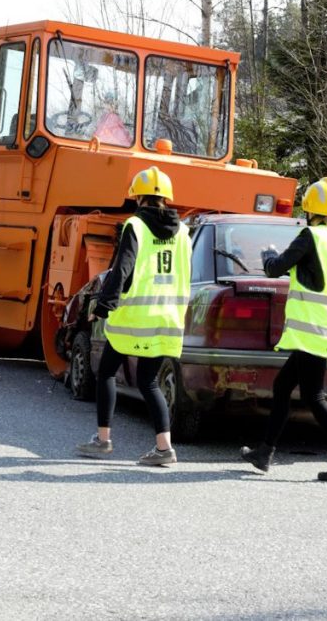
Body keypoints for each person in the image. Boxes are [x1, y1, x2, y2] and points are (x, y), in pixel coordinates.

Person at [240, 177, 327, 482]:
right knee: (283, 387)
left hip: (312, 330)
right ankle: (264, 452)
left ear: (310, 210)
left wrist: (268, 254)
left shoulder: (311, 236)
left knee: (313, 396)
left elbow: (275, 268)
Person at [75, 166, 191, 466]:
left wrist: (102, 306)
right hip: (168, 318)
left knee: (106, 372)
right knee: (148, 382)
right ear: (166, 198)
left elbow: (122, 269)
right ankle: (164, 449)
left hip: (134, 318)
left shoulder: (135, 227)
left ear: (138, 197)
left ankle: (102, 440)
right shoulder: (185, 232)